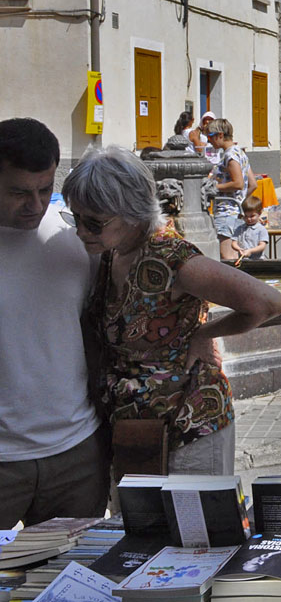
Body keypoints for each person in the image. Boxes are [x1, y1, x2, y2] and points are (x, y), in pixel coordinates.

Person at [62, 146, 281, 475]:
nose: (81, 231)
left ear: (132, 211)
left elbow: (268, 303)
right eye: (75, 218)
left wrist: (204, 334)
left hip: (189, 427)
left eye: (93, 223)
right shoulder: (113, 251)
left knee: (192, 525)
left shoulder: (171, 256)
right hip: (136, 430)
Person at [0, 118, 109, 528]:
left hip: (76, 455)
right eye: (18, 192)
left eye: (45, 189)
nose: (35, 204)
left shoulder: (74, 240)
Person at [207, 119, 254, 261]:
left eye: (210, 136)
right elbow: (252, 184)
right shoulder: (240, 152)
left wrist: (213, 187)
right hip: (237, 211)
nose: (209, 141)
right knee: (237, 254)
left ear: (220, 135)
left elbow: (238, 183)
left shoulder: (230, 155)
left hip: (226, 211)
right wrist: (241, 199)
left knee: (227, 257)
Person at [231, 195, 269, 262]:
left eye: (252, 216)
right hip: (243, 260)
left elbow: (262, 245)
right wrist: (239, 249)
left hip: (257, 261)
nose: (248, 219)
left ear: (259, 213)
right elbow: (234, 242)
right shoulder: (240, 228)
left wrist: (250, 251)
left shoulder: (261, 229)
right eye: (246, 216)